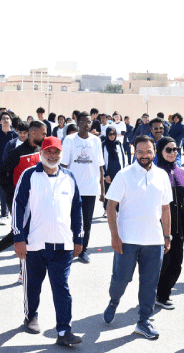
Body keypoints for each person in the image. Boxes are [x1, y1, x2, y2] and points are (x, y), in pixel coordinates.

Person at [13, 137, 84, 346]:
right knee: (33, 286)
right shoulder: (29, 175)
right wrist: (18, 238)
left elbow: (77, 209)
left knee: (62, 288)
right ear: (41, 153)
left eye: (56, 152)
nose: (52, 156)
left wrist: (79, 238)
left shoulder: (69, 177)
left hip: (62, 245)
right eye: (48, 152)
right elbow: (18, 206)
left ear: (61, 154)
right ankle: (31, 316)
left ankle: (64, 330)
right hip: (34, 243)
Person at [103, 135, 173, 340]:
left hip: (154, 241)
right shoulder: (124, 175)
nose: (144, 155)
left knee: (150, 284)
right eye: (140, 151)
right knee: (121, 280)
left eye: (148, 151)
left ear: (154, 152)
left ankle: (144, 321)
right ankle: (114, 301)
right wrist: (115, 236)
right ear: (134, 152)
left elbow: (165, 208)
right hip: (127, 240)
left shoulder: (162, 175)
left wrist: (167, 236)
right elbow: (111, 205)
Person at [0, 121, 45, 276]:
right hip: (17, 200)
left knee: (22, 233)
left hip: (34, 200)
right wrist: (16, 193)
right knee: (22, 233)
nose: (45, 136)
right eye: (43, 133)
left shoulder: (40, 150)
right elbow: (1, 176)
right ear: (33, 133)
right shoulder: (16, 153)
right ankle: (23, 272)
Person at [154, 137, 184, 310]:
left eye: (175, 149)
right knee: (162, 264)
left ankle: (162, 293)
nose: (173, 153)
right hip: (160, 229)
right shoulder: (155, 173)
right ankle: (159, 294)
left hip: (179, 228)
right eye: (168, 149)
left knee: (176, 264)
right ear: (160, 151)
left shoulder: (182, 174)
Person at [61, 112, 105, 264]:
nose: (87, 124)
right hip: (71, 188)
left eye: (89, 122)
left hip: (90, 189)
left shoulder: (96, 141)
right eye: (84, 122)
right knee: (69, 220)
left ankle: (83, 250)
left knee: (87, 222)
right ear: (77, 123)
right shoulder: (69, 140)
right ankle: (68, 248)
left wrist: (102, 190)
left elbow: (100, 166)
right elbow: (63, 165)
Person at [0, 112, 18, 223]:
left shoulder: (16, 136)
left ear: (11, 121)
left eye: (7, 118)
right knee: (3, 191)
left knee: (14, 191)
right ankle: (4, 215)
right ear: (0, 121)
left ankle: (13, 212)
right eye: (3, 118)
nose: (5, 120)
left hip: (14, 167)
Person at [102, 126, 126, 211]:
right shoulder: (103, 145)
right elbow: (101, 160)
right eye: (110, 134)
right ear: (107, 135)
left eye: (114, 134)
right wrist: (105, 175)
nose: (112, 136)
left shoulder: (118, 143)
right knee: (108, 192)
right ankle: (106, 210)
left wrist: (123, 170)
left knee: (119, 191)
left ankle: (118, 210)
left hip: (118, 171)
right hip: (109, 172)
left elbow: (123, 157)